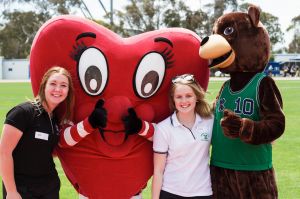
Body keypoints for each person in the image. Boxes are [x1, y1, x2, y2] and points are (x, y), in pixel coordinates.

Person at [0, 66, 75, 199]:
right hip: (22, 189)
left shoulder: (55, 119)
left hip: (49, 188)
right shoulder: (23, 112)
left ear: (68, 91)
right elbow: (4, 152)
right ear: (44, 85)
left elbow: (45, 150)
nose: (58, 89)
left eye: (63, 85)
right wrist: (11, 191)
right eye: (53, 83)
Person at [152, 74, 214, 199]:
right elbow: (158, 171)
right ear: (173, 100)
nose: (184, 101)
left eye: (188, 96)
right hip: (171, 192)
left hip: (203, 192)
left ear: (196, 97)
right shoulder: (163, 128)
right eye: (179, 97)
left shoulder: (210, 121)